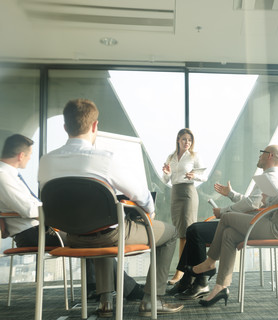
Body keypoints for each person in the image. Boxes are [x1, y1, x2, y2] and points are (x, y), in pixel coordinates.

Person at [38, 99, 183, 317]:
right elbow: (142, 196)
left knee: (98, 222)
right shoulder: (105, 159)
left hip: (70, 238)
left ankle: (105, 303)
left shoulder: (46, 161)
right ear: (95, 126)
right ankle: (152, 300)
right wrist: (149, 212)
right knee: (170, 233)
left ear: (65, 127)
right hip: (109, 236)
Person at [0, 134, 145, 303]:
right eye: (30, 155)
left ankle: (94, 287)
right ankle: (129, 289)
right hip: (32, 233)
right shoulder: (3, 176)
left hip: (38, 229)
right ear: (21, 156)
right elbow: (28, 208)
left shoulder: (9, 175)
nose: (30, 159)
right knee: (90, 236)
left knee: (89, 231)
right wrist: (62, 210)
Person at [190, 136, 278, 307]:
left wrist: (269, 200)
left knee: (227, 217)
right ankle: (220, 287)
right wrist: (269, 200)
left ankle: (210, 261)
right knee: (229, 234)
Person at [167, 145, 278, 300]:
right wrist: (231, 194)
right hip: (245, 221)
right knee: (193, 229)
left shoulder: (270, 177)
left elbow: (252, 205)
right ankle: (188, 279)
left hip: (246, 225)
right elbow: (252, 202)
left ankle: (200, 281)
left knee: (195, 231)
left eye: (261, 153)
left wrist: (223, 211)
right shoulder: (268, 176)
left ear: (269, 156)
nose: (259, 156)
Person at [161, 128, 206, 285]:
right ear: (178, 139)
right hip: (175, 193)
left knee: (186, 233)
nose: (187, 143)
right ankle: (188, 269)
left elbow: (204, 176)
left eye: (190, 140)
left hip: (188, 193)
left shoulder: (194, 156)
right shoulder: (171, 157)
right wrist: (166, 172)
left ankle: (180, 272)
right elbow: (165, 179)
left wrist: (195, 175)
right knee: (179, 232)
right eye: (184, 139)